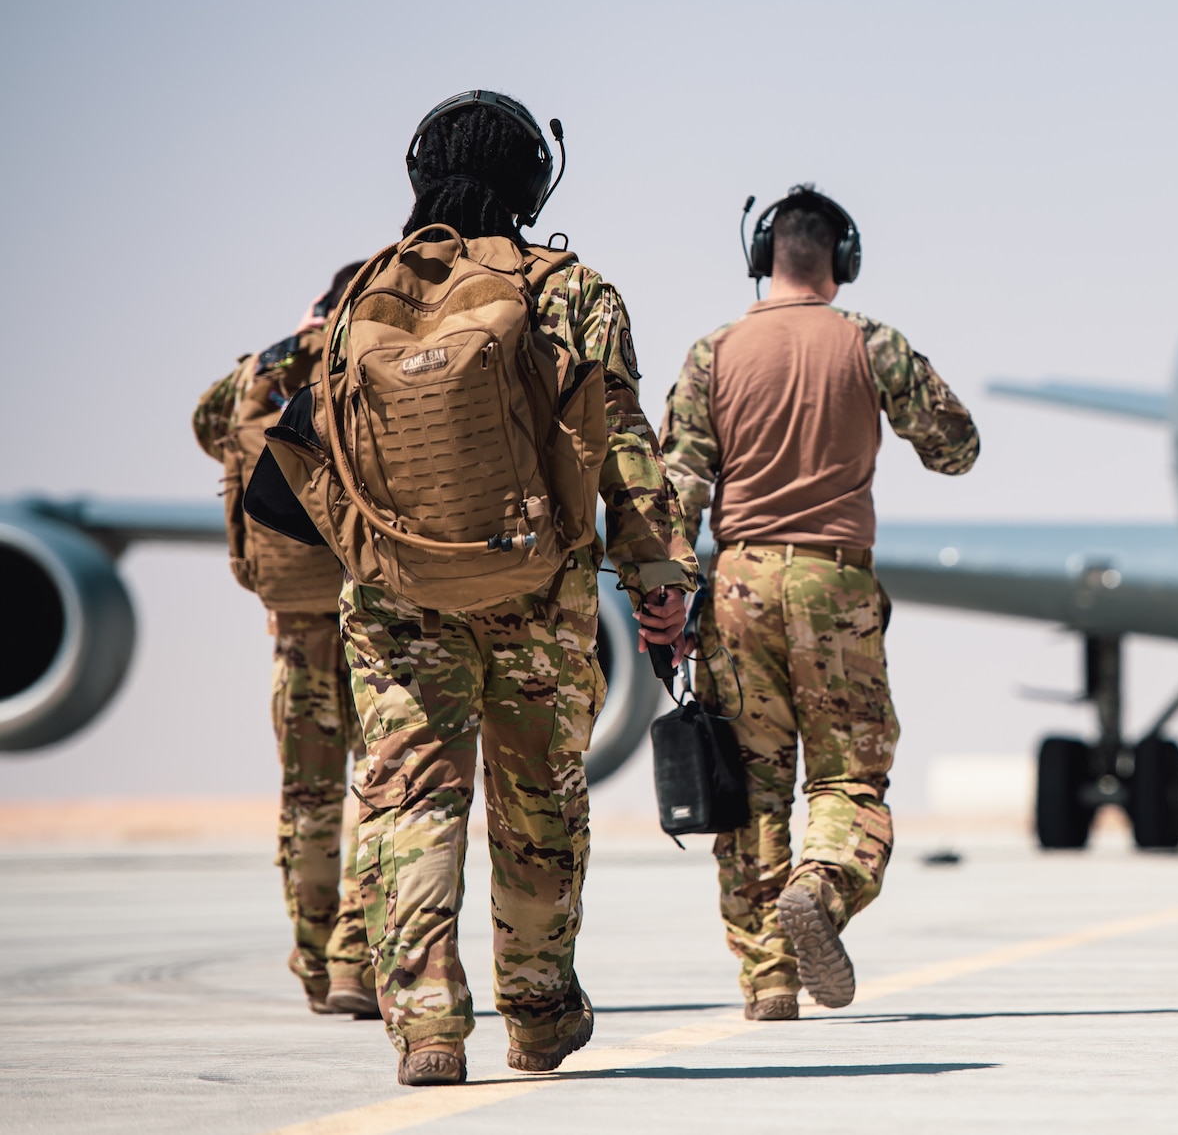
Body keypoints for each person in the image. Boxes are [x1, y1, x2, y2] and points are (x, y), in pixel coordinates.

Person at [329, 92, 698, 1085]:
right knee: (537, 803)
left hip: (398, 595)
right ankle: (536, 1010)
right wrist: (658, 577)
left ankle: (428, 1021)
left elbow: (316, 460)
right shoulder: (574, 292)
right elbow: (622, 440)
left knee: (412, 798)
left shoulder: (363, 294)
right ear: (536, 181)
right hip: (541, 591)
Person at [657, 185, 979, 1022]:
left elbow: (676, 490)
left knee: (751, 787)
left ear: (765, 258)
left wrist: (665, 600)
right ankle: (823, 888)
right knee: (847, 776)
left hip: (738, 584)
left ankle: (768, 979)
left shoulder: (713, 352)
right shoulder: (870, 342)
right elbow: (956, 450)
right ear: (842, 261)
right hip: (835, 584)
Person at [191, 262, 379, 1019]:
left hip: (295, 626)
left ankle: (312, 961)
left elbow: (208, 428)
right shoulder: (369, 356)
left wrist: (283, 346)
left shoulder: (262, 373)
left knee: (308, 797)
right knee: (382, 789)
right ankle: (355, 963)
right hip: (374, 608)